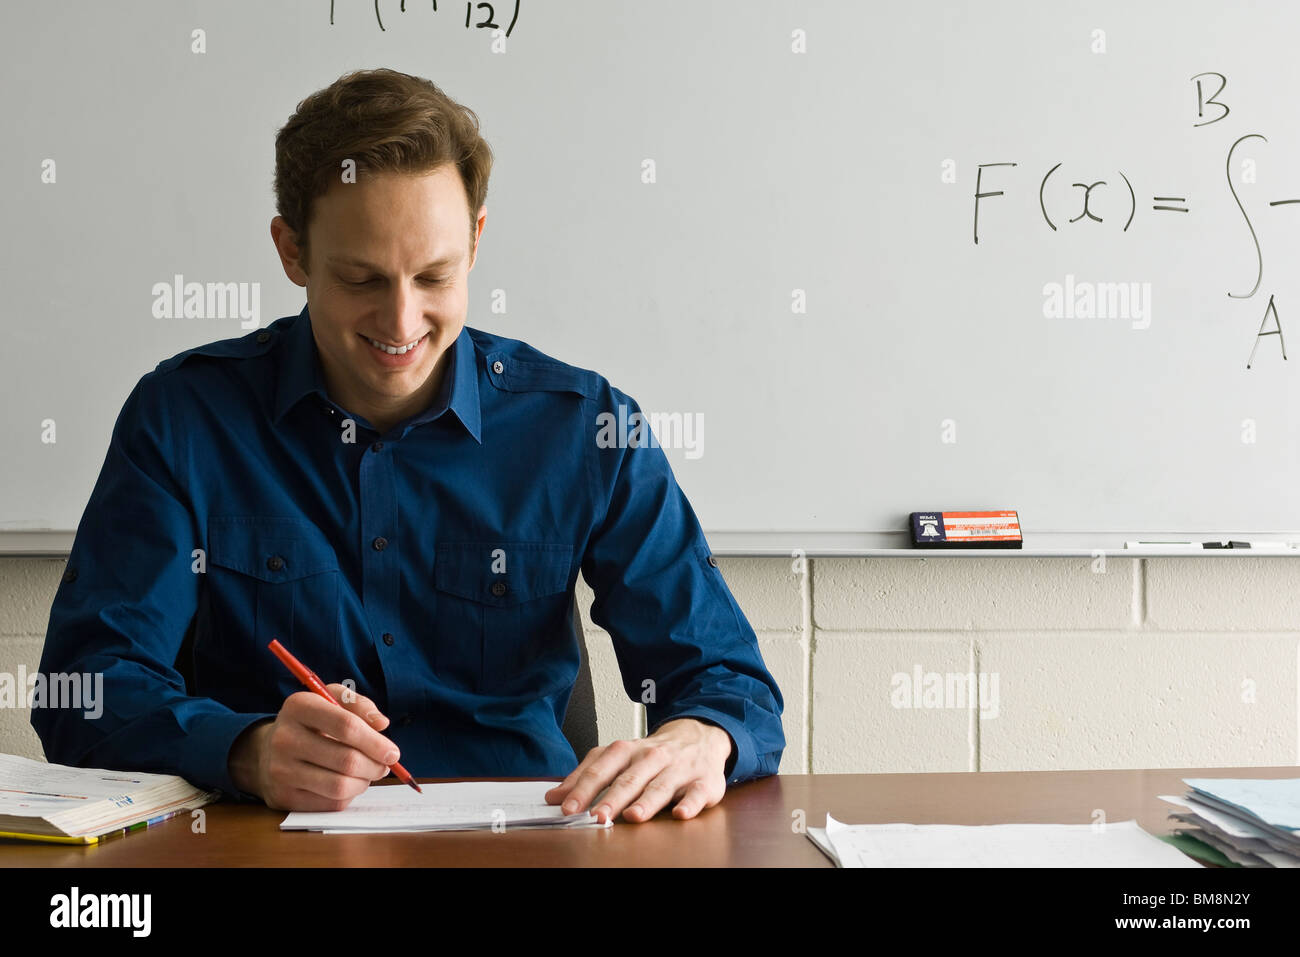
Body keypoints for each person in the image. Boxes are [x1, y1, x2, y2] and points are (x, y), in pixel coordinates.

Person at [33, 68, 784, 824]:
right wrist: (248, 750)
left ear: (478, 240)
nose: (401, 320)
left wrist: (700, 736)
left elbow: (727, 681)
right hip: (268, 847)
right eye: (361, 278)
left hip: (524, 846)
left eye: (434, 275)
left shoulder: (585, 427)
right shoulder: (184, 419)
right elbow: (85, 687)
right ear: (292, 251)